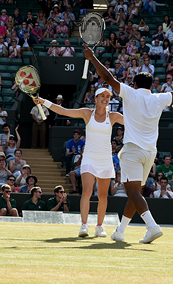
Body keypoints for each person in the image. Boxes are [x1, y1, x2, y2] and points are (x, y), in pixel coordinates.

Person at [83, 43, 173, 243]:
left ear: (135, 85)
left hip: (132, 152)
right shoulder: (159, 98)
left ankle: (152, 226)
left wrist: (92, 57)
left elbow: (108, 78)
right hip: (149, 153)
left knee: (133, 191)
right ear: (151, 86)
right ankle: (120, 231)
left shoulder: (130, 93)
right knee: (135, 192)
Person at [35, 84, 123, 238]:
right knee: (87, 191)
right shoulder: (87, 113)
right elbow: (63, 111)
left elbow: (134, 122)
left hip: (105, 159)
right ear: (95, 98)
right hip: (89, 157)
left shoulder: (114, 116)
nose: (105, 98)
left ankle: (99, 227)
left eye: (108, 96)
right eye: (102, 96)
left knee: (103, 195)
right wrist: (44, 102)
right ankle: (84, 225)